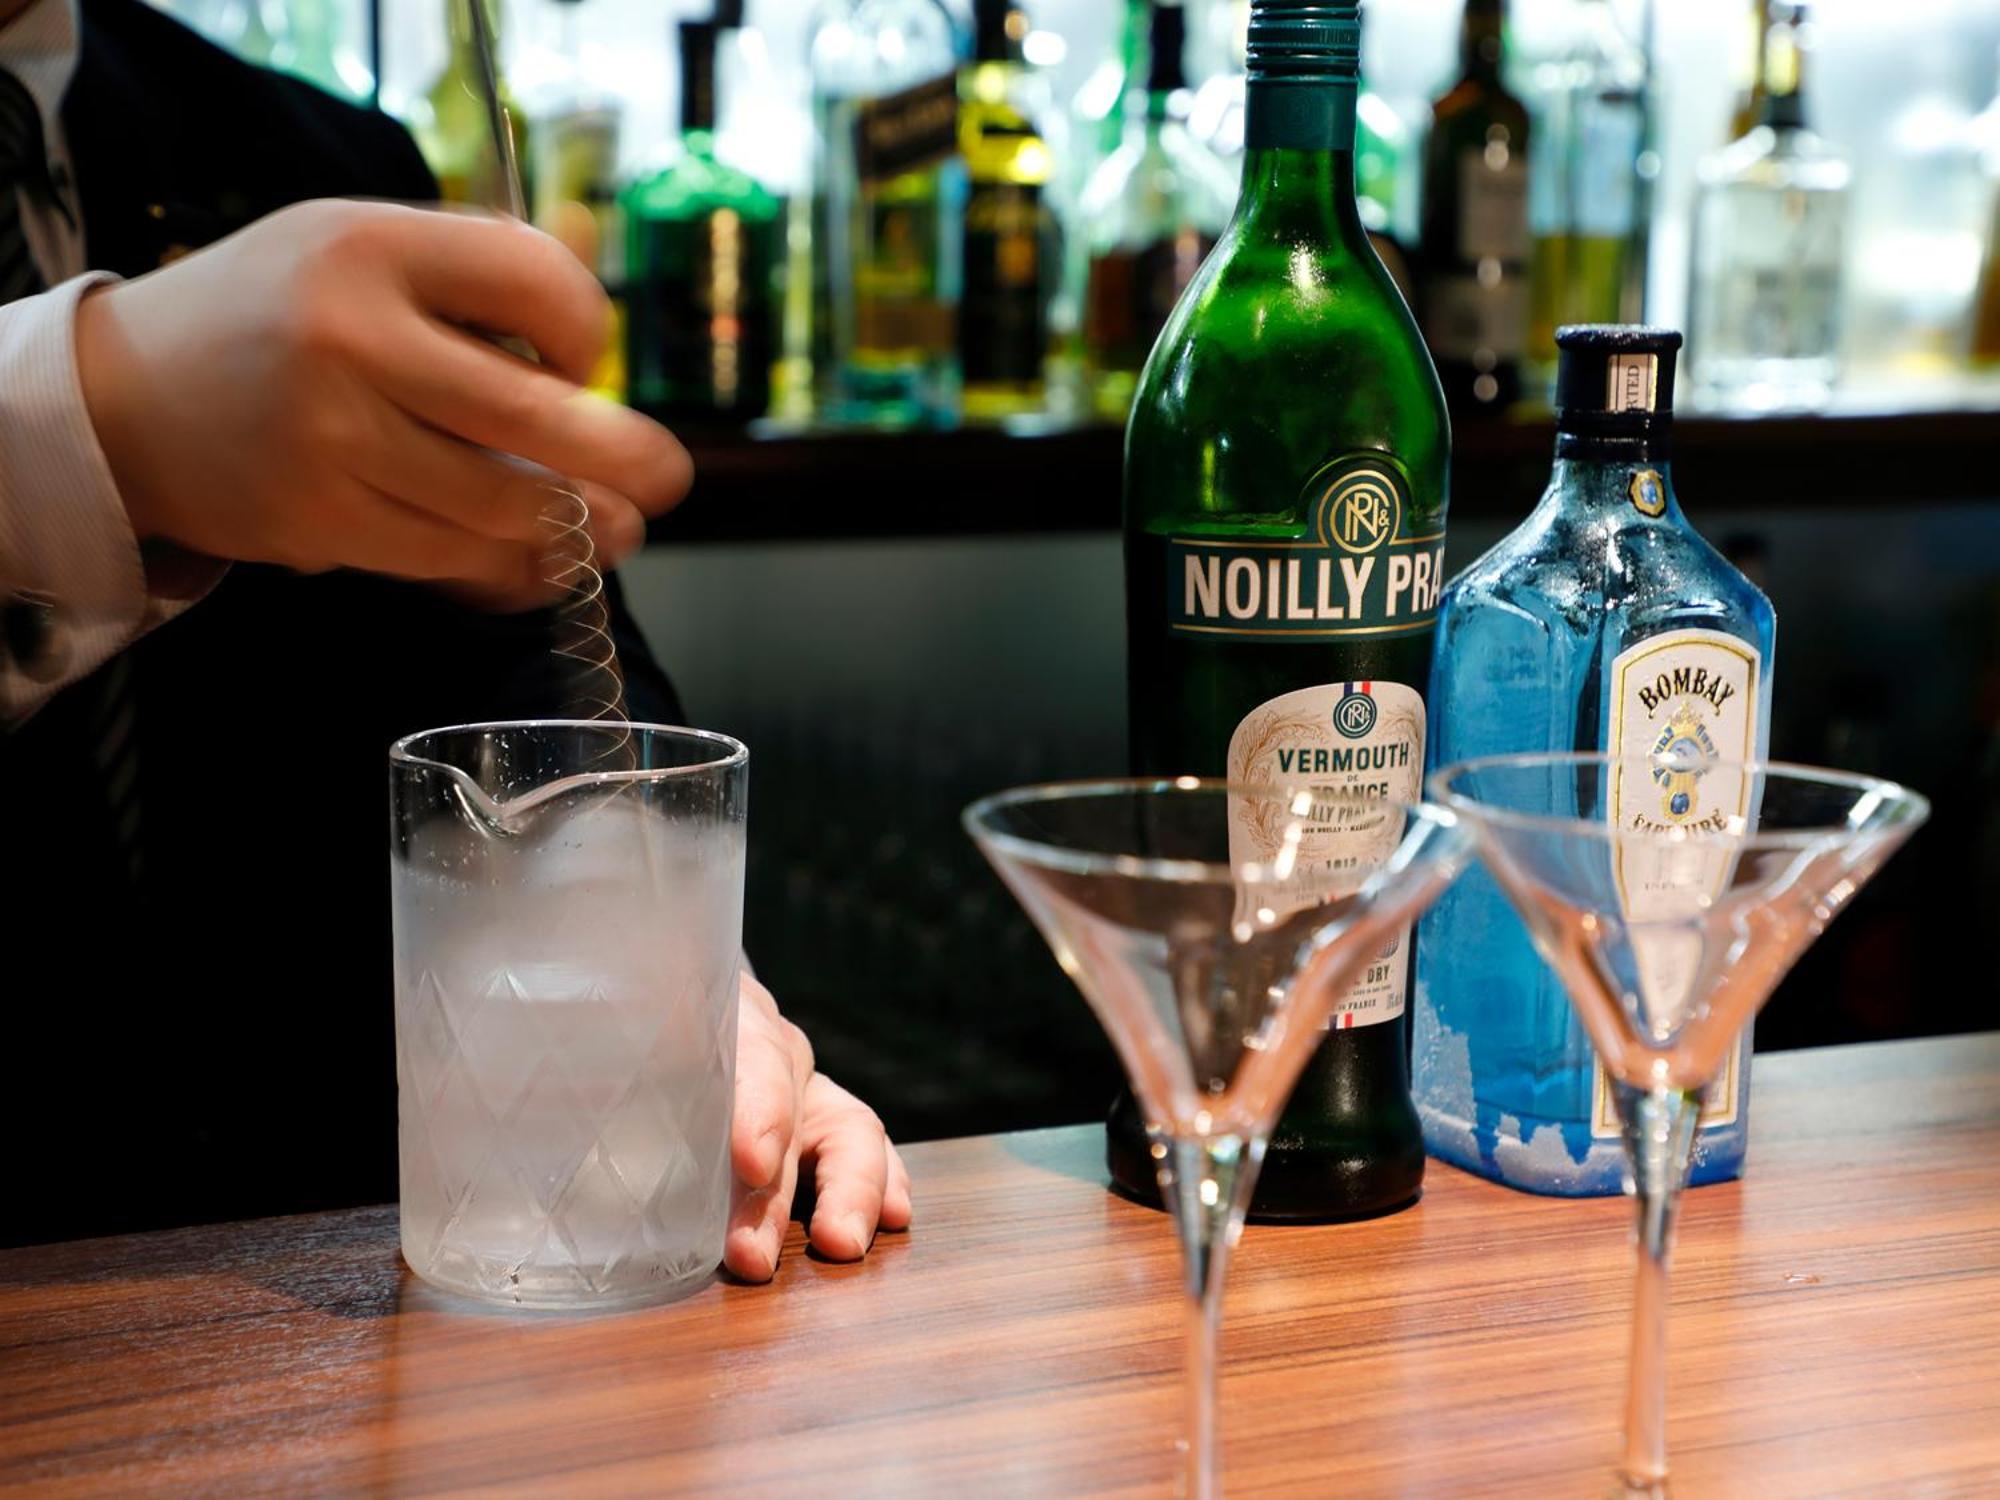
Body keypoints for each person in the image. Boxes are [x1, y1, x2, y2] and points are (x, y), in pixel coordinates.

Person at [0, 0, 910, 1279]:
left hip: (337, 1316)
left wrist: (668, 987)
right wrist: (59, 422)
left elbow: (532, 635)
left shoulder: (312, 155)